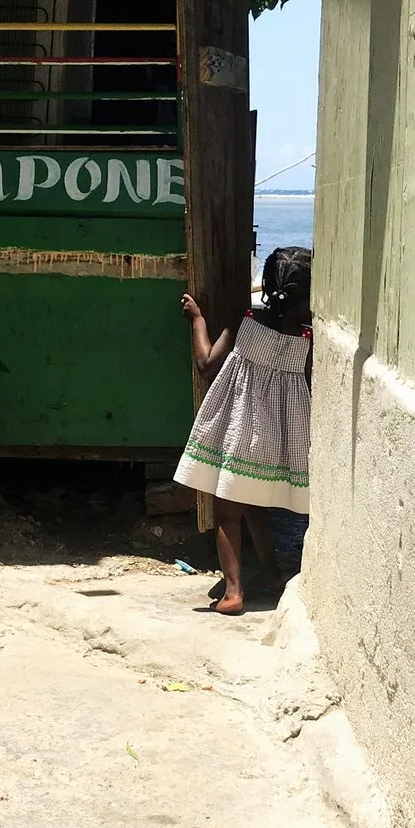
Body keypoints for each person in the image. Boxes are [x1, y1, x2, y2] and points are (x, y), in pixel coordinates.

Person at [173, 245, 312, 614]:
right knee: (253, 505)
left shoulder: (248, 321)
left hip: (240, 431)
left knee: (227, 513)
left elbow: (206, 364)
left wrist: (198, 319)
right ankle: (271, 573)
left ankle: (233, 592)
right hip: (280, 437)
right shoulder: (307, 337)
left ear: (267, 283)